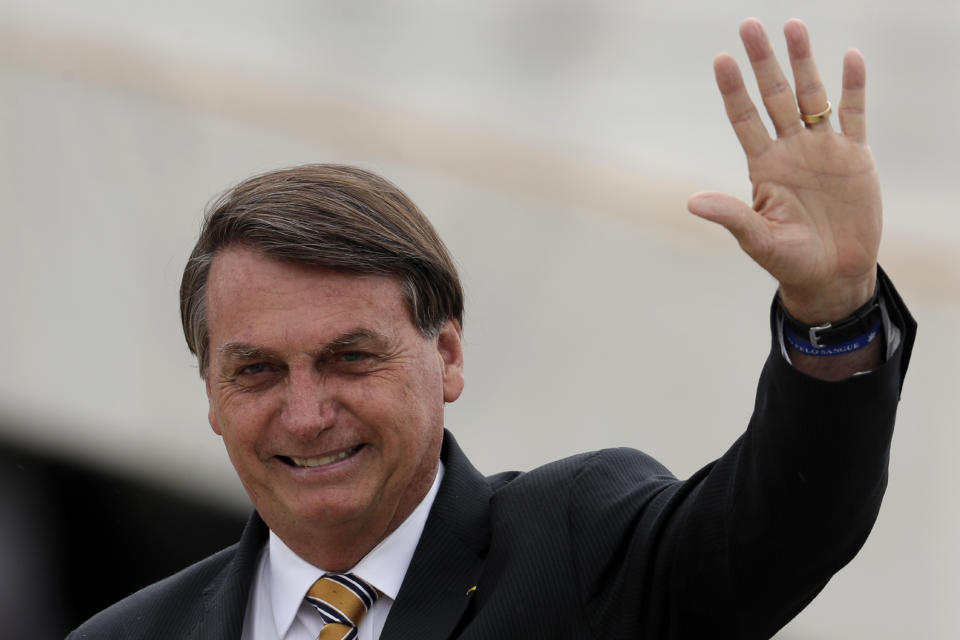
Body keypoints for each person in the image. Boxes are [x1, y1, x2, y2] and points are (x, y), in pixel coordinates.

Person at [69, 18, 916, 640]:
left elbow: (785, 530)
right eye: (255, 372)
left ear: (448, 354)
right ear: (211, 397)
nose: (305, 412)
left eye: (350, 358)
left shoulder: (577, 547)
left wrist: (835, 308)